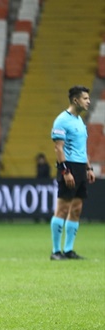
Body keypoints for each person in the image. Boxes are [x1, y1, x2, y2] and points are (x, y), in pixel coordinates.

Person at [49, 85, 96, 261]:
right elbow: (58, 148)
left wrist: (89, 168)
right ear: (76, 100)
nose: (89, 101)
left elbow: (81, 149)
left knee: (76, 209)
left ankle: (68, 250)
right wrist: (65, 171)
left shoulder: (79, 122)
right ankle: (56, 251)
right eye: (85, 98)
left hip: (81, 167)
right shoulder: (62, 120)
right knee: (62, 209)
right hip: (68, 167)